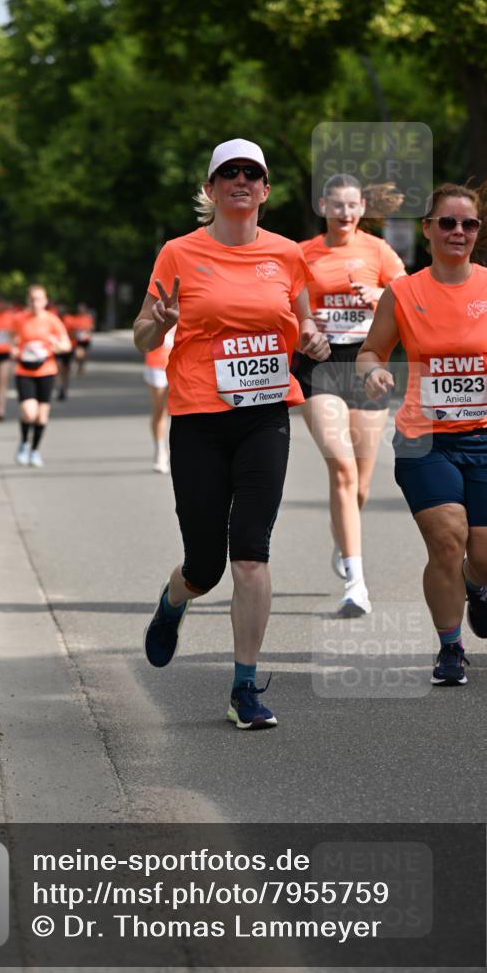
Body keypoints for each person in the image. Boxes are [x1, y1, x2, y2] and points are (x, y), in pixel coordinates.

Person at [133, 138, 330, 730]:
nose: (241, 180)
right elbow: (144, 332)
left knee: (250, 555)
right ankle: (173, 602)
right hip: (197, 417)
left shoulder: (289, 256)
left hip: (264, 416)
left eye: (253, 173)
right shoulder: (178, 253)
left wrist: (314, 342)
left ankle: (245, 688)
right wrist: (158, 325)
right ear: (211, 188)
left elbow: (304, 325)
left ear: (265, 190)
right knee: (205, 566)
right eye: (230, 173)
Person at [357, 179, 487, 686]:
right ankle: (449, 648)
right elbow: (371, 351)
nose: (458, 231)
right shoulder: (404, 292)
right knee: (446, 539)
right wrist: (373, 372)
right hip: (425, 437)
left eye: (468, 224)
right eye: (447, 222)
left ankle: (474, 583)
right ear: (428, 231)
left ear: (478, 232)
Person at [293, 175, 406, 616]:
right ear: (323, 205)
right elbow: (284, 306)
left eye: (352, 206)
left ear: (362, 207)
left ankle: (343, 538)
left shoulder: (378, 251)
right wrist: (305, 332)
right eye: (336, 205)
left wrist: (379, 295)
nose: (344, 213)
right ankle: (356, 584)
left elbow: (412, 298)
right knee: (340, 468)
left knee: (359, 484)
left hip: (366, 365)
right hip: (320, 366)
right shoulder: (303, 254)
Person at [12, 285, 72, 467]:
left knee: (41, 416)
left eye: (39, 299)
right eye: (32, 299)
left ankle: (35, 451)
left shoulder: (52, 321)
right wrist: (14, 350)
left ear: (45, 301)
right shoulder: (19, 319)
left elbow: (66, 345)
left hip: (46, 370)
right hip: (24, 370)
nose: (35, 303)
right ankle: (23, 443)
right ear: (27, 301)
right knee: (29, 413)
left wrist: (57, 346)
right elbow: (11, 340)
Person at [144, 325, 176, 473]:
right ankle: (160, 450)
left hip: (179, 364)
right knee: (160, 410)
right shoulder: (156, 306)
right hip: (157, 365)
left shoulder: (190, 306)